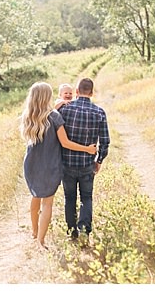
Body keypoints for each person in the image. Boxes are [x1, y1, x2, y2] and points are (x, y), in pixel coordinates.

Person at [20, 82, 97, 249]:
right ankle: (40, 241)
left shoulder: (28, 116)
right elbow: (66, 143)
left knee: (35, 196)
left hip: (31, 164)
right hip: (50, 165)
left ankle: (34, 232)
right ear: (47, 97)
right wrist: (87, 149)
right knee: (47, 203)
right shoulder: (54, 116)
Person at [58, 77, 110, 239]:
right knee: (86, 197)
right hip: (87, 163)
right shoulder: (99, 112)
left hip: (67, 163)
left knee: (69, 197)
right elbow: (105, 141)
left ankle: (72, 232)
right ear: (92, 93)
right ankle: (84, 230)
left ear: (77, 92)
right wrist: (99, 160)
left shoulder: (64, 110)